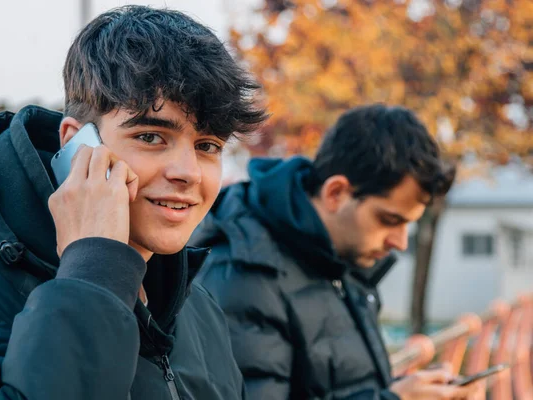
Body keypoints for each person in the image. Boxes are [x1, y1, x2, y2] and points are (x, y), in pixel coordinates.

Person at [0, 5, 267, 399]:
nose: (189, 172)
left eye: (207, 146)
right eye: (150, 137)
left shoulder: (198, 306)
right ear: (75, 143)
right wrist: (95, 273)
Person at [192, 104, 481, 399]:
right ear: (336, 193)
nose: (400, 242)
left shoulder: (342, 256)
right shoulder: (244, 274)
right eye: (389, 220)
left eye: (408, 225)